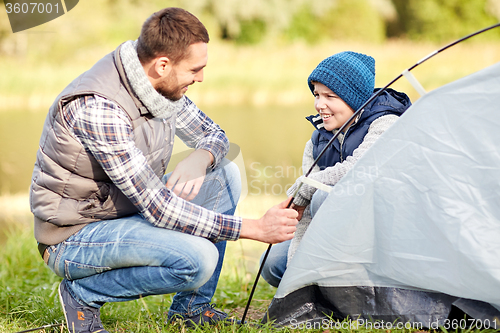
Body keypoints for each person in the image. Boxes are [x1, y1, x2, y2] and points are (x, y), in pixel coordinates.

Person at [29, 7, 298, 333]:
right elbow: (158, 208)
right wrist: (253, 228)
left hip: (122, 213)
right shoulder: (100, 108)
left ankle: (191, 309)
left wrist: (201, 158)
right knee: (198, 260)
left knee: (223, 175)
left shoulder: (158, 85)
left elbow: (214, 136)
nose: (201, 78)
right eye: (195, 69)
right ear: (162, 64)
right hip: (73, 236)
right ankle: (81, 295)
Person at [260, 51, 411, 288]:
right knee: (272, 263)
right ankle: (326, 289)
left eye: (330, 96)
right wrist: (294, 277)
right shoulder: (316, 141)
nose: (320, 105)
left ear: (354, 98)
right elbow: (306, 211)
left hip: (384, 239)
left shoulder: (386, 123)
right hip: (334, 236)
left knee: (324, 194)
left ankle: (360, 287)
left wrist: (307, 185)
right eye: (317, 94)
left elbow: (357, 169)